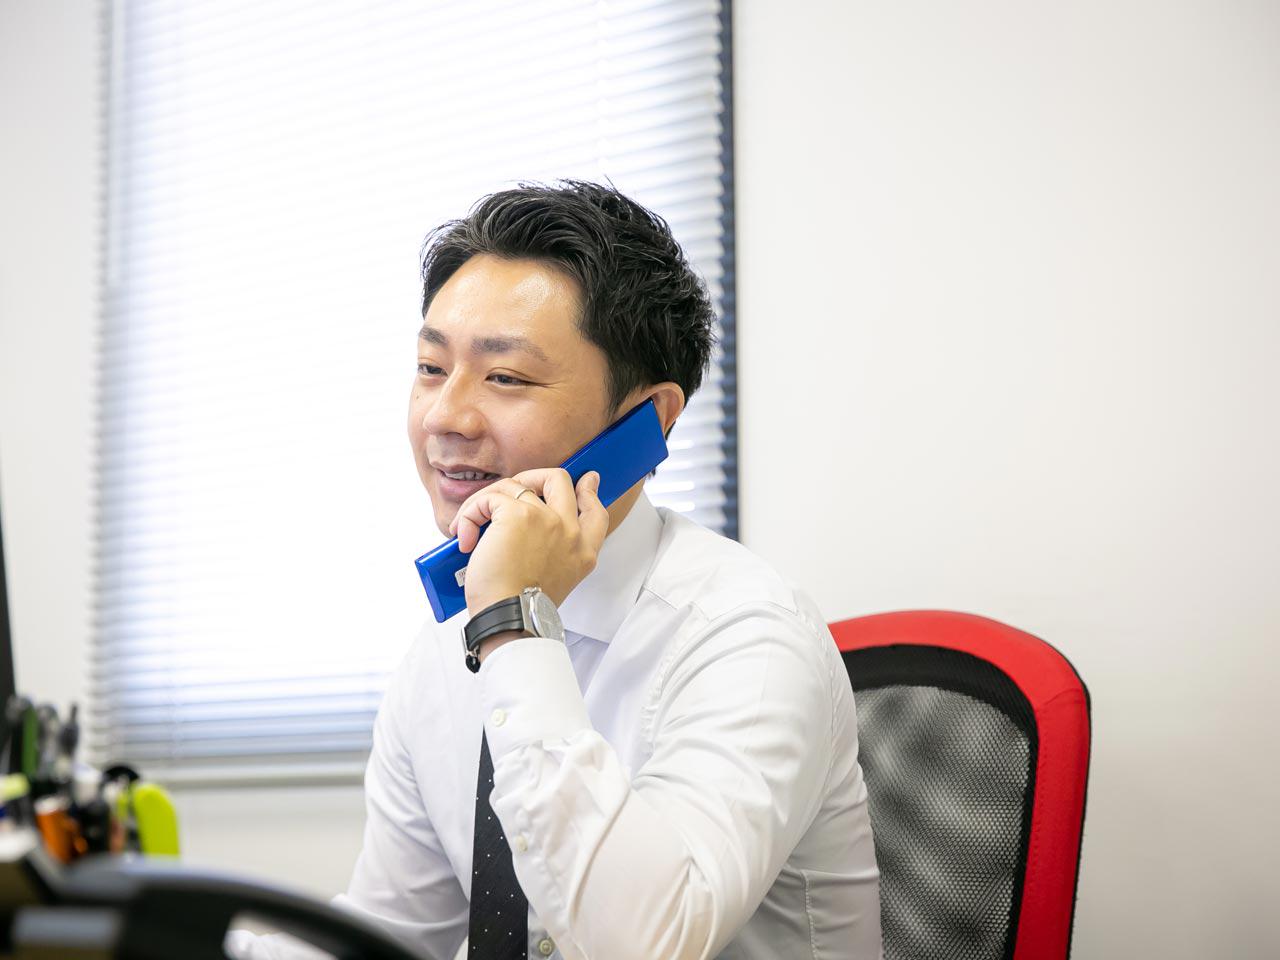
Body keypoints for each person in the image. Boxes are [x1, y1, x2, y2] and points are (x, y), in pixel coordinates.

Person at [233, 181, 881, 960]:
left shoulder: (749, 637)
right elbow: (393, 941)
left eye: (505, 377)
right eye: (432, 367)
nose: (444, 416)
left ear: (649, 421)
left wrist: (513, 623)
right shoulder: (440, 658)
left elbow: (645, 945)